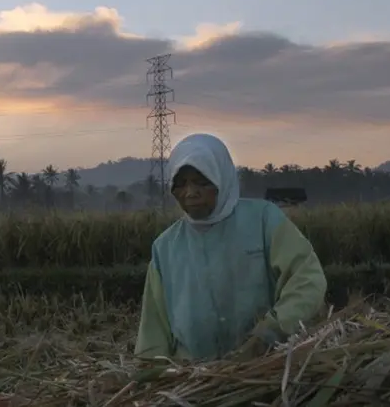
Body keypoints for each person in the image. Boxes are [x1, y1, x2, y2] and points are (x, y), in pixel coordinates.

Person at [134, 133, 327, 362]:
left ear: (221, 179)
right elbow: (153, 331)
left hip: (266, 369)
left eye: (201, 181)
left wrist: (270, 331)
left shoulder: (264, 221)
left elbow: (307, 280)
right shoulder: (164, 248)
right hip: (193, 381)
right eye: (181, 183)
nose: (190, 192)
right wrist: (151, 377)